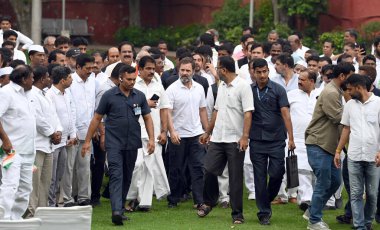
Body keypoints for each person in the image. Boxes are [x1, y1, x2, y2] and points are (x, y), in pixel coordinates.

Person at [81, 64, 155, 225]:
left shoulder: (139, 96)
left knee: (128, 176)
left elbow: (148, 118)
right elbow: (96, 118)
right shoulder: (109, 95)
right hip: (114, 143)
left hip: (132, 142)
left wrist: (151, 139)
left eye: (134, 79)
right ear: (121, 78)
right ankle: (115, 211)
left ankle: (120, 209)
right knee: (116, 175)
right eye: (129, 79)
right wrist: (87, 141)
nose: (132, 82)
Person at [197, 56, 254, 224]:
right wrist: (208, 132)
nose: (215, 70)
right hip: (218, 138)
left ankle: (237, 214)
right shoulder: (221, 85)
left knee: (235, 178)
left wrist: (245, 137)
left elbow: (248, 113)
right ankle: (208, 202)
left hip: (235, 139)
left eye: (217, 68)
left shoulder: (243, 86)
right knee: (208, 169)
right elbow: (216, 110)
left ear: (223, 70)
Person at [304, 62, 354, 230]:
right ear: (342, 77)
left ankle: (312, 211)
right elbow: (340, 119)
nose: (352, 81)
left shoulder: (337, 91)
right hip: (318, 143)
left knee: (334, 182)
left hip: (328, 146)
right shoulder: (331, 92)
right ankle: (314, 221)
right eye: (350, 77)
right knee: (324, 182)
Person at [249, 58, 295, 225]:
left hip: (276, 139)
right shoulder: (249, 90)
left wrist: (291, 137)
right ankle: (264, 212)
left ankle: (266, 199)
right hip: (256, 140)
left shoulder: (278, 89)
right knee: (259, 177)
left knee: (277, 173)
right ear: (253, 72)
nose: (262, 75)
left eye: (265, 71)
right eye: (259, 72)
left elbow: (286, 114)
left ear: (268, 71)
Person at [334, 74, 380, 230]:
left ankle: (367, 222)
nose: (347, 92)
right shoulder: (349, 105)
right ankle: (359, 225)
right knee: (355, 193)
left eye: (350, 89)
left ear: (359, 87)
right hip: (353, 156)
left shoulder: (378, 103)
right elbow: (346, 128)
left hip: (374, 157)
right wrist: (338, 150)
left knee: (372, 194)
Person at [126, 56, 170, 211]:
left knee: (149, 168)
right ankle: (131, 197)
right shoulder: (132, 85)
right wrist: (146, 104)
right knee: (137, 165)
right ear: (140, 68)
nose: (152, 71)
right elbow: (129, 108)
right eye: (148, 69)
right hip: (135, 131)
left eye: (153, 68)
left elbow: (164, 109)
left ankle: (144, 202)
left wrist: (164, 131)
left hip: (154, 133)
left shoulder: (158, 86)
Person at [166, 57, 208, 209]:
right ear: (178, 70)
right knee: (176, 168)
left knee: (198, 168)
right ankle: (173, 199)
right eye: (182, 70)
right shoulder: (171, 89)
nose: (184, 73)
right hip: (178, 136)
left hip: (196, 135)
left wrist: (207, 131)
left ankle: (199, 200)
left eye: (187, 70)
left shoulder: (199, 88)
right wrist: (172, 131)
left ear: (194, 71)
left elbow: (202, 110)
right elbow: (168, 113)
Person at [278, 70, 320, 210]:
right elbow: (282, 114)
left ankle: (317, 199)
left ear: (312, 81)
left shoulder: (320, 95)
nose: (299, 82)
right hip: (295, 138)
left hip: (317, 139)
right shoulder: (291, 95)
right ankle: (305, 199)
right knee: (301, 168)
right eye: (299, 79)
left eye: (303, 79)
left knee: (313, 169)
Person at [0, 65, 35, 220]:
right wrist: (5, 141)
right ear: (23, 79)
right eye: (31, 78)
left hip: (28, 150)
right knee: (10, 185)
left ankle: (15, 218)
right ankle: (4, 219)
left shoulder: (27, 93)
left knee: (25, 188)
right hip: (11, 150)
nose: (33, 81)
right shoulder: (6, 93)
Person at [27, 66, 62, 216]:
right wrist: (51, 133)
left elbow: (54, 115)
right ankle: (31, 213)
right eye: (48, 76)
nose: (50, 79)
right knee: (34, 182)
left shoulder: (45, 94)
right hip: (37, 145)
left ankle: (43, 213)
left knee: (45, 182)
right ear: (42, 79)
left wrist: (58, 130)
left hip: (48, 146)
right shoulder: (31, 95)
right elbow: (38, 119)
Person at [62, 54, 95, 207]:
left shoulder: (93, 80)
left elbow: (94, 107)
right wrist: (72, 132)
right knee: (69, 168)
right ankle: (67, 198)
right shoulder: (70, 82)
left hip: (87, 132)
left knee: (85, 166)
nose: (90, 71)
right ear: (78, 67)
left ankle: (83, 197)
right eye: (87, 68)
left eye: (92, 68)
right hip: (71, 132)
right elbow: (70, 109)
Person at [46, 66, 77, 207]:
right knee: (51, 177)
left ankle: (57, 203)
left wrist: (73, 134)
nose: (72, 80)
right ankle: (50, 205)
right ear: (63, 80)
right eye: (70, 77)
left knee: (60, 175)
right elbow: (50, 117)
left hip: (65, 141)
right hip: (53, 142)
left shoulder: (67, 93)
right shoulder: (49, 95)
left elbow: (71, 114)